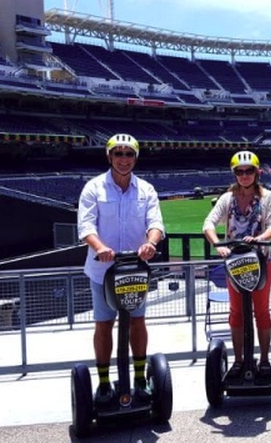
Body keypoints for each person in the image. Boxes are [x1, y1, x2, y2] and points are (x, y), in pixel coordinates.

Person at [77, 133, 164, 405]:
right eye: (118, 153)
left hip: (135, 271)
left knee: (137, 322)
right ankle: (103, 383)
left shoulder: (146, 190)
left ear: (135, 157)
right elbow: (86, 226)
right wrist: (99, 247)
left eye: (129, 154)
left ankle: (139, 378)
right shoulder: (94, 188)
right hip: (103, 272)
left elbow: (156, 224)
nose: (124, 159)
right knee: (104, 325)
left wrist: (150, 243)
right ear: (109, 156)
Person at [203, 150, 271, 382]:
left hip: (261, 261)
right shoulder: (227, 199)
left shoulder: (268, 197)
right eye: (240, 171)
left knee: (262, 312)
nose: (244, 175)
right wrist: (218, 244)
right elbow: (208, 223)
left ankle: (264, 360)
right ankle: (238, 360)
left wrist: (260, 238)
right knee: (236, 313)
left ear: (257, 173)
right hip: (235, 264)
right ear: (234, 173)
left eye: (249, 171)